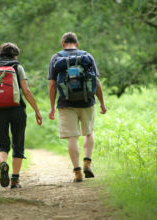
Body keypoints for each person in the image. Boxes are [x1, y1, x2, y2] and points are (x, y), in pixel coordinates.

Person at [48, 32, 107, 182]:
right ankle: (87, 162)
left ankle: (77, 172)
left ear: (62, 44)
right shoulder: (87, 56)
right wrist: (102, 103)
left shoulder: (56, 58)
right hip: (87, 101)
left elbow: (52, 84)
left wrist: (52, 107)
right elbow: (96, 82)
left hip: (66, 103)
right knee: (88, 132)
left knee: (72, 137)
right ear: (77, 43)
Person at [0, 42, 42, 189]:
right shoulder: (17, 67)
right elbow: (26, 91)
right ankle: (15, 180)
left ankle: (3, 163)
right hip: (17, 110)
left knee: (1, 144)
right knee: (18, 142)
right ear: (15, 55)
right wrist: (37, 110)